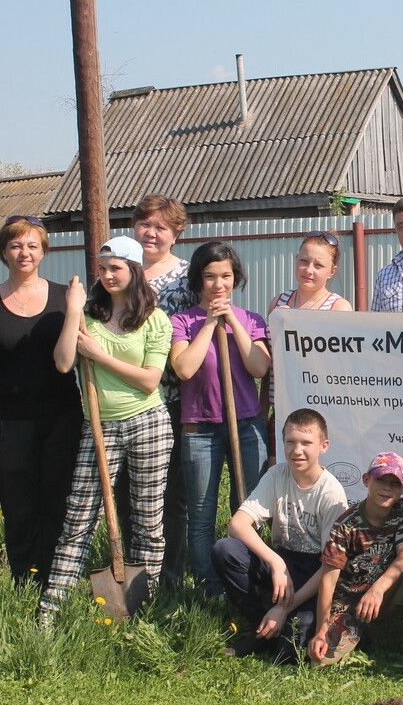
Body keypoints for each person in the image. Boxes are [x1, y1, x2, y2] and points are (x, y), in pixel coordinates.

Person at [38, 236, 174, 619]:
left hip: (149, 423)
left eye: (116, 267)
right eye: (102, 268)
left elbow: (149, 381)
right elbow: (63, 362)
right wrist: (72, 310)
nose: (107, 275)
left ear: (135, 269)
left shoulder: (155, 319)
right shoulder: (88, 315)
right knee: (79, 517)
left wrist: (99, 355)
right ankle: (51, 610)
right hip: (99, 425)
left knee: (148, 521)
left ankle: (142, 607)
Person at [0, 216, 82, 589]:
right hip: (8, 421)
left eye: (33, 245)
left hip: (61, 417)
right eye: (16, 245)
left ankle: (56, 581)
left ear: (44, 251)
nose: (24, 253)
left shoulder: (65, 299)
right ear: (3, 251)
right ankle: (24, 581)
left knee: (57, 500)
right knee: (18, 505)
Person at [169, 242, 271, 597]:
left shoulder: (251, 320)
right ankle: (210, 588)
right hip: (200, 429)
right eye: (210, 276)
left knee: (248, 509)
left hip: (246, 426)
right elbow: (184, 369)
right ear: (199, 279)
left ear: (235, 278)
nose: (218, 284)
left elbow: (259, 367)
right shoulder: (183, 321)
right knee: (201, 515)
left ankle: (246, 581)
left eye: (225, 276)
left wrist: (232, 323)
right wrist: (210, 323)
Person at [212, 408, 348, 661]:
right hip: (283, 561)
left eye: (306, 443)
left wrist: (285, 608)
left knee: (290, 653)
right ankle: (258, 623)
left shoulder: (331, 493)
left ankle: (279, 619)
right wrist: (276, 562)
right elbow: (237, 524)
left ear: (324, 446)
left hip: (315, 572)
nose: (297, 450)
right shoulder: (276, 475)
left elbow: (329, 567)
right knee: (225, 549)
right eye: (290, 442)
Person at [125, 193, 197, 589]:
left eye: (161, 227)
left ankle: (169, 577)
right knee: (126, 492)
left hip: (172, 400)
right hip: (124, 400)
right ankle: (131, 572)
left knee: (171, 495)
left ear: (176, 233)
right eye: (145, 224)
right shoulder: (119, 269)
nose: (151, 233)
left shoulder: (187, 277)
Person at [308, 452, 403, 666]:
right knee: (319, 661)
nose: (387, 488)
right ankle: (360, 633)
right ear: (366, 480)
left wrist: (377, 590)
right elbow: (328, 578)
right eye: (380, 480)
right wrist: (321, 631)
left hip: (385, 593)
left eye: (394, 483)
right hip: (349, 601)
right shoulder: (345, 524)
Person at [264, 231, 354, 463]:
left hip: (320, 411)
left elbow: (339, 365)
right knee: (278, 470)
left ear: (332, 271)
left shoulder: (339, 308)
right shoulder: (278, 302)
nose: (309, 270)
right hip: (281, 409)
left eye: (318, 265)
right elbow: (270, 360)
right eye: (304, 261)